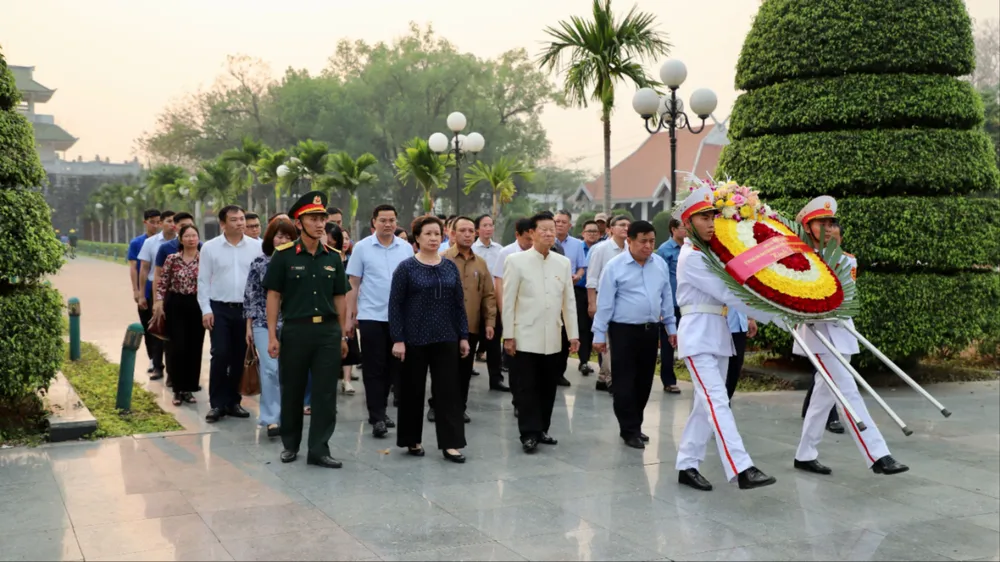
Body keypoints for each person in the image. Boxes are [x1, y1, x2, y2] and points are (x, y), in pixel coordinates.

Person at [672, 187, 779, 492]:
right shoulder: (692, 257)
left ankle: (687, 464)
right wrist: (777, 313)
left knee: (705, 404)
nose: (710, 223)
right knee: (717, 402)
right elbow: (729, 292)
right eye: (703, 218)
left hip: (717, 334)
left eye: (712, 217)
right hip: (698, 336)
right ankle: (742, 467)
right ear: (688, 224)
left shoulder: (710, 254)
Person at [792, 196, 908, 477]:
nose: (828, 228)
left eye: (831, 223)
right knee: (847, 391)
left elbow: (843, 294)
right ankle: (878, 455)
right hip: (817, 335)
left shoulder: (846, 259)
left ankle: (805, 454)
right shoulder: (799, 259)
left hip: (841, 331)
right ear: (808, 227)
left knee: (822, 397)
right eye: (821, 223)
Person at [263, 191, 349, 468]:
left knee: (325, 393)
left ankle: (319, 449)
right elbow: (274, 295)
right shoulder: (284, 255)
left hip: (327, 333)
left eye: (322, 218)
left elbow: (340, 297)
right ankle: (290, 444)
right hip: (295, 331)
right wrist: (273, 336)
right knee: (292, 390)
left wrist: (342, 334)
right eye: (313, 219)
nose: (320, 224)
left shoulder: (333, 257)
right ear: (299, 223)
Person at [389, 215, 471, 463]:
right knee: (412, 390)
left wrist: (463, 336)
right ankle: (412, 440)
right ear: (417, 237)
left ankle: (451, 444)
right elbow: (395, 305)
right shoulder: (406, 268)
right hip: (414, 338)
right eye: (428, 234)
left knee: (448, 392)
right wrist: (398, 339)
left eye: (437, 234)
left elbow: (459, 305)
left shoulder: (449, 267)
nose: (434, 238)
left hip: (446, 337)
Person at [593, 220, 677, 449]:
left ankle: (635, 425)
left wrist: (671, 327)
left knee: (644, 381)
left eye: (652, 241)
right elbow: (605, 303)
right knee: (624, 382)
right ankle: (628, 429)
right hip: (623, 331)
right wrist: (599, 334)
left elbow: (666, 297)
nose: (648, 246)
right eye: (643, 241)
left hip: (650, 330)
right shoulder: (615, 266)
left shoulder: (659, 264)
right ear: (629, 241)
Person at [503, 213, 579, 453]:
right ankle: (528, 433)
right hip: (524, 336)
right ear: (531, 233)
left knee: (548, 387)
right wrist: (508, 335)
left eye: (552, 229)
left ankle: (542, 429)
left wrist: (573, 334)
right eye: (543, 229)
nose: (549, 233)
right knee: (527, 387)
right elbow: (508, 301)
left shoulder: (562, 263)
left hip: (553, 336)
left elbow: (568, 301)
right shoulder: (516, 261)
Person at [347, 204, 414, 438]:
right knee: (374, 368)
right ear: (374, 222)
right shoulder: (362, 248)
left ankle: (381, 410)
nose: (388, 224)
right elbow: (353, 284)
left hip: (399, 318)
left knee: (393, 368)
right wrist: (350, 316)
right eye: (383, 220)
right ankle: (376, 416)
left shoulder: (406, 248)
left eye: (392, 220)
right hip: (371, 316)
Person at [197, 205, 263, 423]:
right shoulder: (210, 248)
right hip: (219, 308)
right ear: (223, 224)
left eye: (242, 218)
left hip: (246, 310)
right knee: (220, 353)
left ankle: (234, 401)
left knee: (239, 356)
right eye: (234, 220)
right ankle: (217, 404)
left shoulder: (257, 247)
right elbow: (203, 281)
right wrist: (206, 310)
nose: (240, 223)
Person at [430, 216, 496, 424]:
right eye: (462, 231)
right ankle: (437, 406)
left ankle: (460, 407)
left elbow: (488, 295)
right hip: (444, 326)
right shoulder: (441, 259)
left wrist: (490, 322)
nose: (467, 235)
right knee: (443, 369)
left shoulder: (481, 264)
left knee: (464, 370)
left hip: (471, 325)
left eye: (470, 231)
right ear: (452, 233)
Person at [244, 218, 298, 437]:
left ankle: (288, 415)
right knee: (270, 369)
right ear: (270, 238)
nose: (283, 241)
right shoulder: (259, 262)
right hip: (263, 323)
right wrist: (249, 326)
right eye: (279, 236)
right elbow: (251, 296)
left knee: (289, 371)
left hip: (293, 323)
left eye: (288, 237)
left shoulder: (299, 262)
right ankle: (271, 418)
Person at [800, 219, 845, 433]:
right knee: (830, 378)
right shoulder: (807, 257)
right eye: (825, 231)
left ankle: (807, 446)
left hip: (838, 326)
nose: (829, 238)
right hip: (816, 327)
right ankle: (833, 417)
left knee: (825, 380)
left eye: (834, 237)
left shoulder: (846, 260)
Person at [156, 224, 205, 407]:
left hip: (197, 305)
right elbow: (163, 283)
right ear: (181, 239)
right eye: (187, 236)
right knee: (177, 347)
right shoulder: (172, 259)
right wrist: (158, 302)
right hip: (175, 304)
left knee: (194, 347)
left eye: (194, 236)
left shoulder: (204, 259)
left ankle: (189, 388)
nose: (191, 239)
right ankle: (177, 389)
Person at [492, 217, 534, 411]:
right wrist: (504, 310)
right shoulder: (507, 253)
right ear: (517, 235)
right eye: (527, 238)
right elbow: (499, 282)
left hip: (533, 314)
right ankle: (518, 400)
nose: (531, 242)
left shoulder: (543, 253)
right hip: (513, 312)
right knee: (516, 358)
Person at [586, 215, 630, 392]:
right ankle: (613, 380)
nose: (625, 228)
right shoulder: (601, 249)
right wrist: (592, 303)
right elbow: (592, 278)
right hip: (603, 299)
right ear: (611, 229)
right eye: (621, 225)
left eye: (628, 225)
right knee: (606, 341)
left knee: (618, 340)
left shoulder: (630, 248)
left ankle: (603, 377)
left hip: (624, 301)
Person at [138, 210, 175, 381]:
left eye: (174, 221)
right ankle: (157, 366)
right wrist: (141, 294)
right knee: (157, 330)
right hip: (157, 290)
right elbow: (144, 269)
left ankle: (174, 372)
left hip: (176, 291)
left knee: (174, 333)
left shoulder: (182, 242)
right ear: (161, 223)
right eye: (168, 221)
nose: (172, 224)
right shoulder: (151, 243)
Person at [324, 222, 360, 395]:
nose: (344, 242)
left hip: (344, 307)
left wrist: (351, 312)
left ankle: (346, 380)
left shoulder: (348, 260)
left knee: (347, 344)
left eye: (345, 239)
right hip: (325, 310)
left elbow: (350, 290)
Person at [553, 210, 586, 387]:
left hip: (569, 291)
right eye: (556, 221)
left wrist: (578, 276)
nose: (559, 225)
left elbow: (582, 267)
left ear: (570, 225)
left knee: (566, 332)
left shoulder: (577, 245)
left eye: (563, 222)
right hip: (549, 292)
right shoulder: (546, 241)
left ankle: (560, 372)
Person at [128, 209, 161, 376]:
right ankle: (153, 359)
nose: (155, 225)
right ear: (145, 222)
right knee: (149, 326)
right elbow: (134, 268)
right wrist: (136, 290)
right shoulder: (137, 243)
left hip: (161, 292)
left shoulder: (165, 242)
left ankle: (161, 361)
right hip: (146, 290)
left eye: (158, 222)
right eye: (152, 222)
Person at [655, 219, 686, 394]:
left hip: (688, 303)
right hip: (671, 304)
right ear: (673, 229)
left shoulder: (692, 248)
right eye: (683, 227)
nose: (686, 230)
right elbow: (660, 278)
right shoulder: (664, 250)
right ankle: (668, 380)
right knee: (668, 342)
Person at [576, 220, 601, 376]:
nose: (592, 234)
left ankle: (602, 365)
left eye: (595, 231)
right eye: (589, 231)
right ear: (583, 233)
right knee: (583, 327)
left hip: (598, 292)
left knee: (597, 327)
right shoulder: (579, 248)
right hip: (580, 291)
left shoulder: (602, 249)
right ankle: (583, 361)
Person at [723, 310, 758, 400]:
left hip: (739, 326)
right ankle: (720, 403)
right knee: (720, 369)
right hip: (721, 325)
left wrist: (750, 317)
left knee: (735, 367)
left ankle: (726, 401)